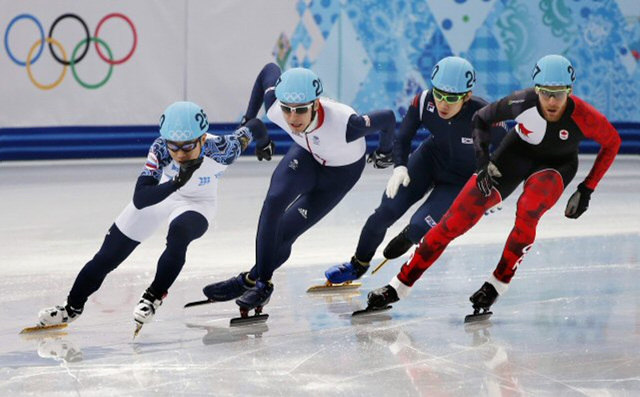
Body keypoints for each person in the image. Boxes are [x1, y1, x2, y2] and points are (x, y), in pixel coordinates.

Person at [365, 54, 621, 317]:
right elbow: (481, 118)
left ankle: (497, 283)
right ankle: (399, 285)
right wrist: (483, 162)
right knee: (453, 221)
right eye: (545, 93)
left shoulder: (586, 116)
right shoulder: (522, 102)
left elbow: (612, 143)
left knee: (528, 210)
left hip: (556, 166)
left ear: (570, 90)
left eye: (559, 93)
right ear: (536, 89)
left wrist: (587, 189)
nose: (552, 101)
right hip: (513, 155)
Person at [36, 101, 270, 334]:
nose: (179, 154)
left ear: (202, 139)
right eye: (173, 147)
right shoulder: (160, 148)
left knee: (179, 233)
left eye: (187, 147)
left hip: (198, 204)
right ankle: (71, 307)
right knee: (107, 256)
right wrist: (176, 181)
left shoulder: (223, 148)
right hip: (161, 195)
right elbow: (140, 198)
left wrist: (264, 144)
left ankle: (153, 296)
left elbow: (256, 125)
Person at [202, 63, 396, 313]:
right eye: (287, 110)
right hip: (306, 156)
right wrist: (249, 119)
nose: (292, 119)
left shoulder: (347, 125)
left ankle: (250, 278)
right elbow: (268, 70)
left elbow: (388, 118)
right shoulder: (274, 107)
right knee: (273, 202)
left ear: (315, 104)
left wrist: (385, 152)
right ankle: (262, 284)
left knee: (284, 234)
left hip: (339, 175)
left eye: (300, 110)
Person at [323, 56, 507, 285]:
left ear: (467, 96)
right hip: (428, 161)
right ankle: (357, 265)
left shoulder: (485, 115)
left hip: (458, 181)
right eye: (438, 94)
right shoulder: (423, 101)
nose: (443, 103)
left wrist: (492, 192)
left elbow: (507, 152)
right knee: (382, 215)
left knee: (418, 227)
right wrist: (400, 166)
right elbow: (404, 137)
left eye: (451, 98)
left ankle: (402, 265)